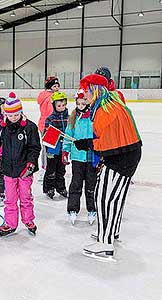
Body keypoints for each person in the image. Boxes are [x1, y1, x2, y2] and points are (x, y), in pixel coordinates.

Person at [75, 74, 142, 261]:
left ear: (96, 90)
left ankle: (105, 244)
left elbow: (107, 144)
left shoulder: (106, 111)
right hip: (128, 154)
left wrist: (88, 144)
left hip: (120, 158)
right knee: (114, 198)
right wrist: (90, 143)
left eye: (87, 90)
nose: (84, 94)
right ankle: (111, 233)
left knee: (104, 198)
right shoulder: (111, 103)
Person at [0, 93, 41, 237]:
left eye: (16, 115)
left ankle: (28, 220)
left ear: (21, 112)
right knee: (10, 199)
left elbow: (35, 148)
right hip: (8, 169)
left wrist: (31, 164)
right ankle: (10, 223)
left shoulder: (29, 127)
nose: (13, 118)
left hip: (25, 170)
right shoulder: (1, 128)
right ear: (5, 115)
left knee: (26, 197)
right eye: (10, 115)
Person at [62, 89, 97, 225]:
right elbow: (67, 136)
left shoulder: (94, 118)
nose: (81, 106)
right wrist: (66, 151)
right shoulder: (73, 118)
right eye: (78, 104)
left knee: (91, 185)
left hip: (91, 158)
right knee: (76, 184)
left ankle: (92, 209)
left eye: (83, 103)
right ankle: (72, 209)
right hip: (77, 157)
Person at [43, 91, 69, 200]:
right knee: (51, 170)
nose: (62, 107)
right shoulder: (50, 119)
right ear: (54, 105)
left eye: (63, 105)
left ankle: (60, 187)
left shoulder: (69, 117)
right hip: (52, 150)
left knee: (61, 170)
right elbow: (46, 136)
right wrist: (54, 134)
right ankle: (49, 188)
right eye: (59, 106)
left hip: (63, 149)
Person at [37, 76, 60, 178]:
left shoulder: (44, 96)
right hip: (50, 126)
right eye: (55, 86)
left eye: (58, 85)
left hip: (43, 124)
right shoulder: (51, 98)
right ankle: (47, 169)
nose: (57, 88)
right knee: (50, 148)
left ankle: (45, 168)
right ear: (50, 87)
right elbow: (52, 113)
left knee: (46, 148)